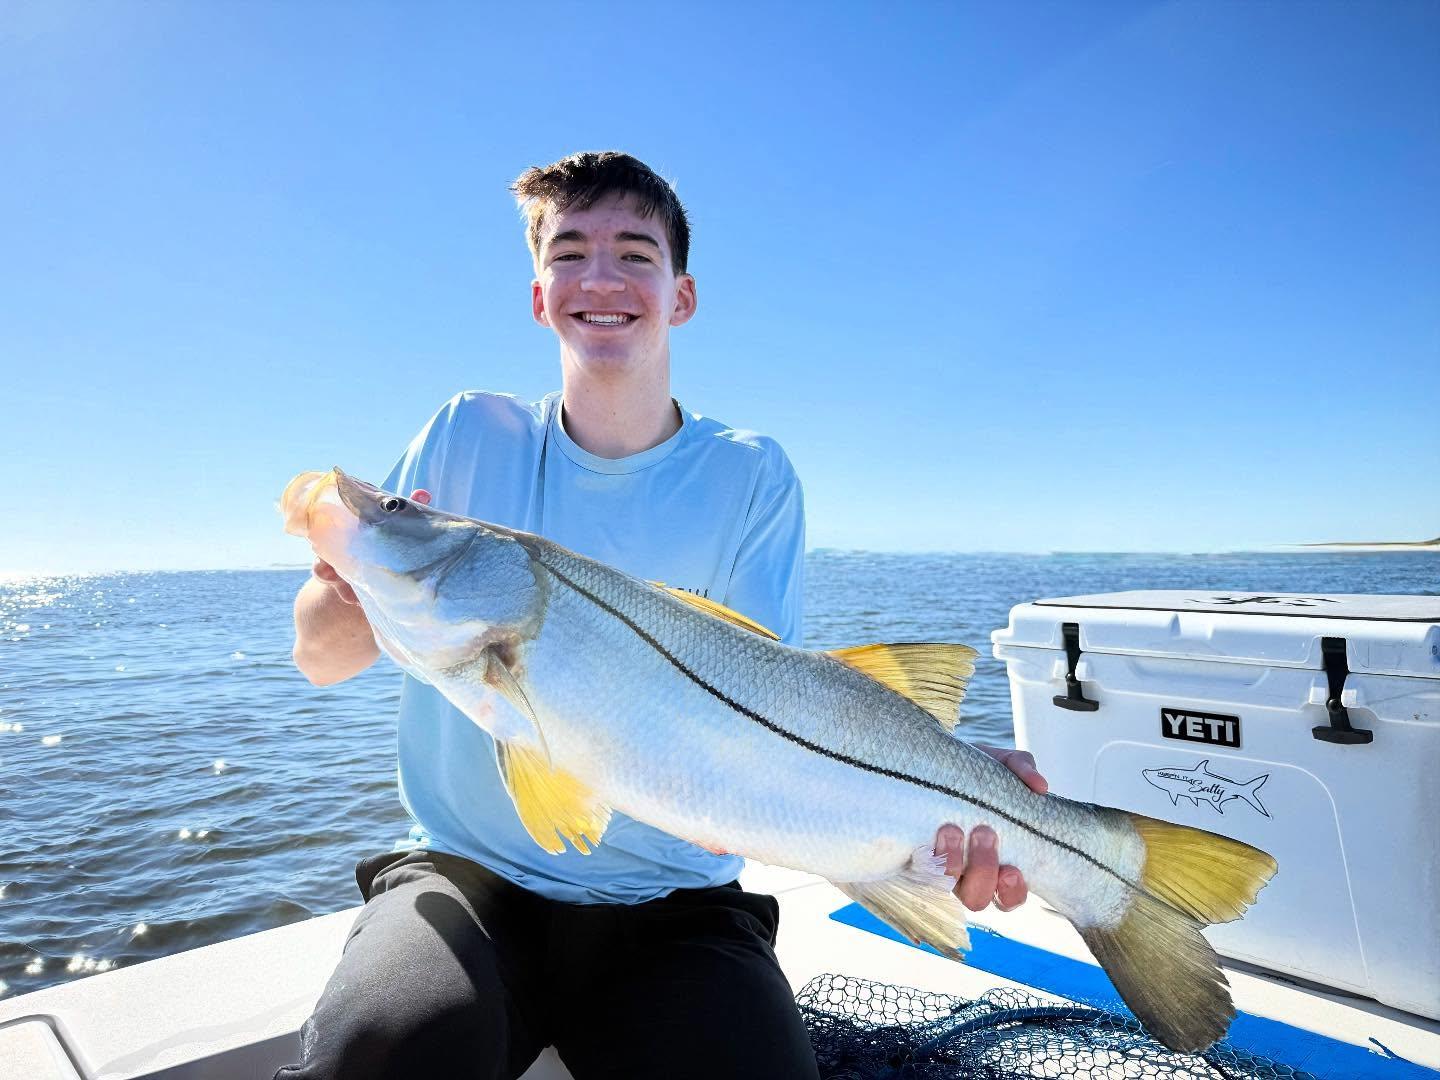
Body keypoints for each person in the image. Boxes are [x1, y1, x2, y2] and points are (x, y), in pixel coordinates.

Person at [279, 151, 1048, 1080]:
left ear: (680, 296)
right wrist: (353, 569)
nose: (600, 279)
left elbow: (770, 703)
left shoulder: (751, 473)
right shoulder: (466, 433)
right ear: (538, 296)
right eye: (569, 253)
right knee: (373, 1062)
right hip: (466, 881)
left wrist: (949, 781)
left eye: (635, 254)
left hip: (676, 904)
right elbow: (320, 660)